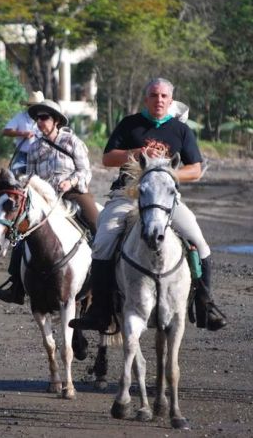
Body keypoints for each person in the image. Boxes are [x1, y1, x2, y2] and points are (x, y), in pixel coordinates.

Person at [69, 78, 227, 332]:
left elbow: (195, 169)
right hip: (127, 195)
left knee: (199, 241)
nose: (160, 100)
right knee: (102, 242)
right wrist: (139, 152)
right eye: (154, 95)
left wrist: (166, 173)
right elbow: (108, 158)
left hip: (164, 201)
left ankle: (205, 304)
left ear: (171, 100)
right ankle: (100, 310)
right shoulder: (130, 124)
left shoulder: (180, 130)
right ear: (147, 99)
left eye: (164, 96)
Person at [0, 99, 100, 304]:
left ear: (56, 121)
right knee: (20, 232)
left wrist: (70, 182)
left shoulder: (72, 142)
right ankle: (16, 284)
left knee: (98, 225)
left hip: (72, 194)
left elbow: (85, 170)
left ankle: (105, 280)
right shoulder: (33, 148)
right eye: (37, 118)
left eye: (44, 117)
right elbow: (30, 176)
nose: (40, 122)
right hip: (43, 200)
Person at [2, 91, 44, 175]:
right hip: (23, 155)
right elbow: (5, 131)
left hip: (42, 156)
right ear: (29, 106)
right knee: (13, 176)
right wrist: (22, 133)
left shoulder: (47, 118)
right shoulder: (20, 117)